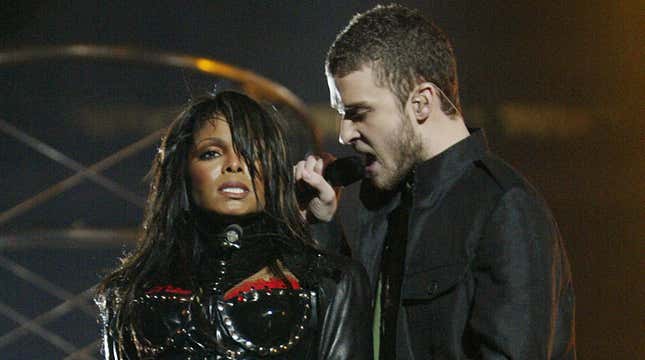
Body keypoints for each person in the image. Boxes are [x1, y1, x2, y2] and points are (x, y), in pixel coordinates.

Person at [296, 4, 576, 359]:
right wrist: (323, 228)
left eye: (358, 113)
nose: (345, 134)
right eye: (341, 114)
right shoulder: (384, 202)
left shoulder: (503, 207)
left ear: (421, 103)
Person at [96, 91, 372, 359]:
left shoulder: (332, 281)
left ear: (273, 171)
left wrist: (320, 227)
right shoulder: (126, 291)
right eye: (211, 153)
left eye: (252, 152)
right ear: (183, 170)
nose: (235, 165)